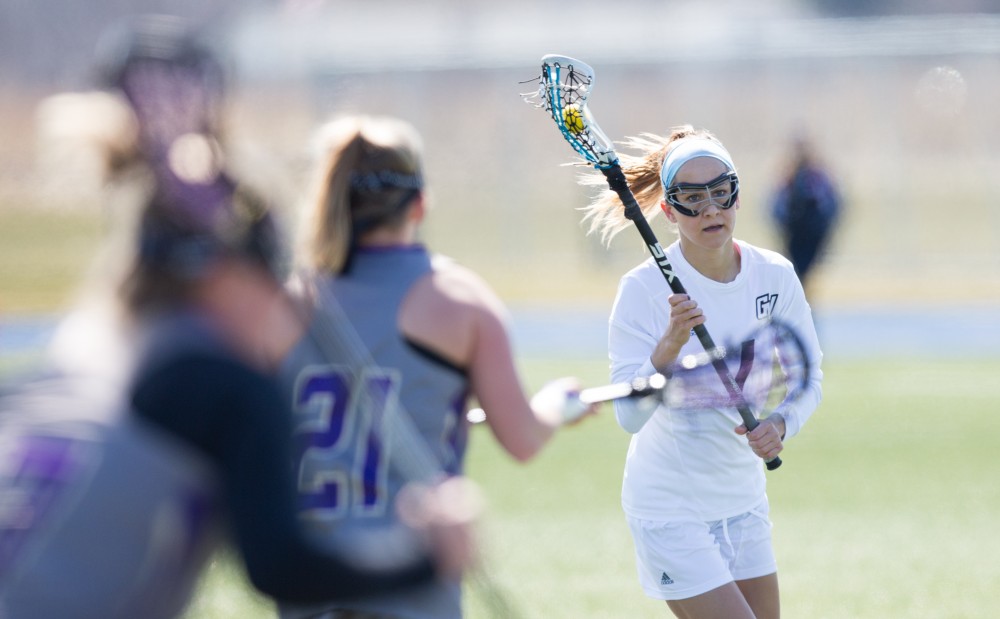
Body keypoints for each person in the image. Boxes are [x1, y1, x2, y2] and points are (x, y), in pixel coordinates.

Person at [0, 16, 479, 619]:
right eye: (276, 277)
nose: (287, 303)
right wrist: (429, 554)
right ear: (224, 275)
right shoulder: (226, 390)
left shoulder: (75, 355)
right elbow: (282, 568)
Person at [277, 114, 598, 619]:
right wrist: (557, 405)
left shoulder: (285, 303)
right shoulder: (458, 300)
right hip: (412, 583)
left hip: (311, 585)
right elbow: (522, 438)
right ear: (420, 203)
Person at [578, 125, 824, 619]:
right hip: (671, 507)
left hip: (743, 497)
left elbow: (809, 377)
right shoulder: (643, 289)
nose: (710, 208)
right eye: (691, 198)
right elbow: (628, 417)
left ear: (737, 193)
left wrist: (781, 424)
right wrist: (669, 342)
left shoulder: (775, 274)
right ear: (668, 211)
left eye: (720, 191)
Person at [769, 133, 842, 299]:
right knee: (797, 275)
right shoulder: (786, 177)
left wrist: (822, 227)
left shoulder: (818, 176)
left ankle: (802, 304)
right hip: (794, 235)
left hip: (813, 235)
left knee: (803, 276)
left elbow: (833, 204)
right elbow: (775, 208)